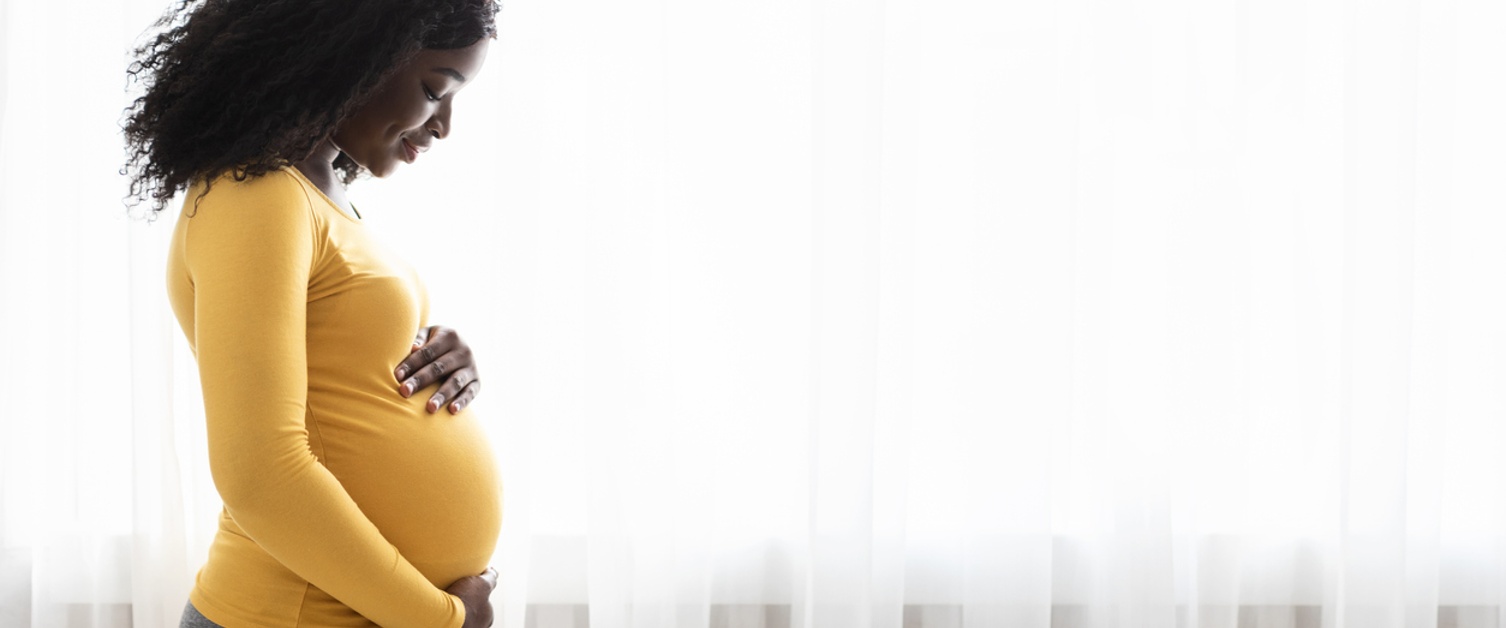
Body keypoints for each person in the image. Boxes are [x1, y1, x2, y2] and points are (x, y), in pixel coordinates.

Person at [120, 1, 504, 626]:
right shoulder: (257, 193)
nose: (444, 126)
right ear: (354, 59)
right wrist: (441, 620)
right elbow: (260, 476)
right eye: (436, 90)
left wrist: (439, 356)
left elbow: (339, 374)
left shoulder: (316, 191)